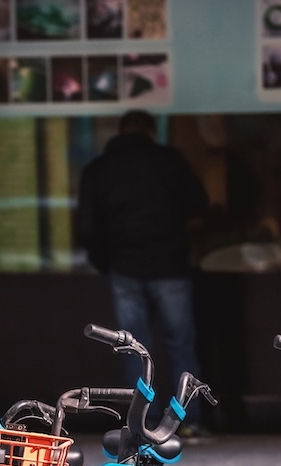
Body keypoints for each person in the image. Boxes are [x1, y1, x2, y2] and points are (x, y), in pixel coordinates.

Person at [75, 110, 211, 438]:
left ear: (120, 131)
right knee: (181, 346)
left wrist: (105, 261)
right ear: (151, 132)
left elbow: (86, 226)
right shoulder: (169, 160)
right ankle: (189, 422)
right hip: (170, 266)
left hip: (124, 267)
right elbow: (199, 203)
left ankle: (143, 425)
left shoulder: (99, 168)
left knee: (134, 348)